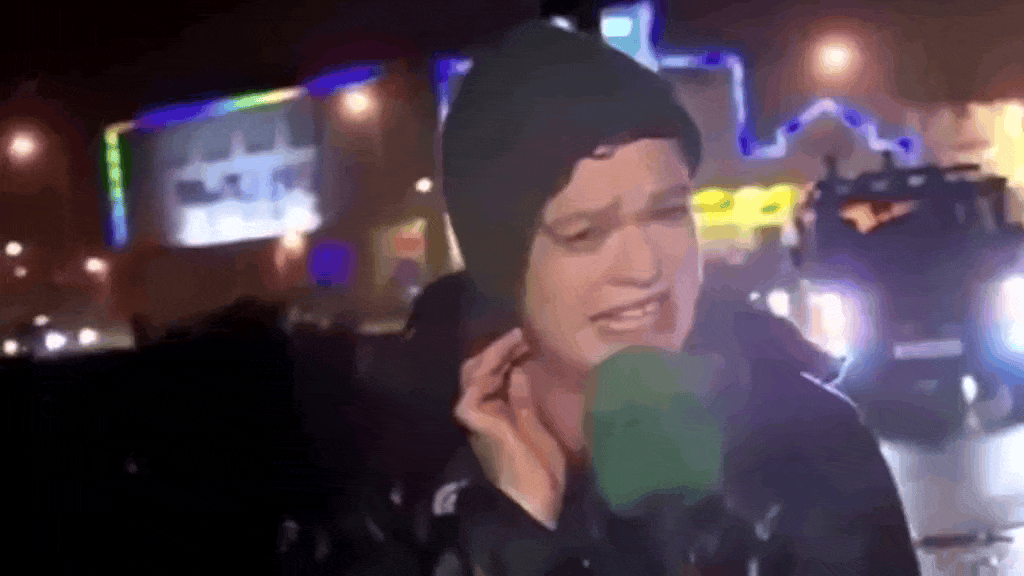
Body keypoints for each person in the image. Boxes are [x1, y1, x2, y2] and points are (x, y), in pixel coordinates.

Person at [381, 20, 919, 576]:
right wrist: (520, 529)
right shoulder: (405, 488)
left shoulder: (810, 447)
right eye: (584, 233)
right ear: (501, 266)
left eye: (667, 212)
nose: (646, 269)